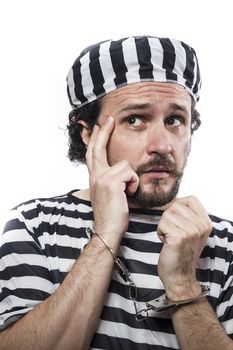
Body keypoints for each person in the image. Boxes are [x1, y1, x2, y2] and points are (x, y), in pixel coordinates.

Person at [0, 35, 232, 350]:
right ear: (88, 134)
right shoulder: (35, 225)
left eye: (175, 120)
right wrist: (107, 232)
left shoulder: (223, 242)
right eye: (135, 120)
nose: (162, 146)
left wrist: (182, 283)